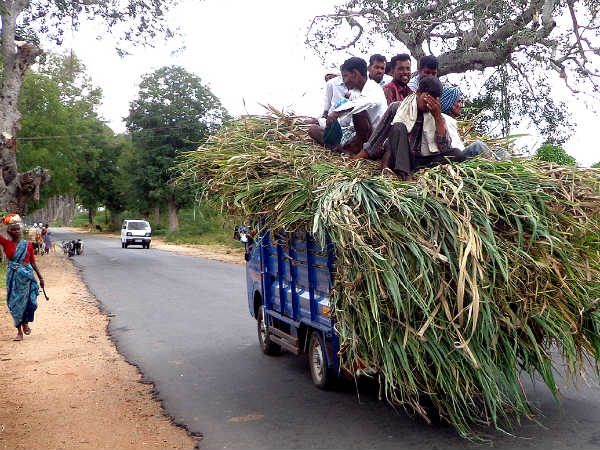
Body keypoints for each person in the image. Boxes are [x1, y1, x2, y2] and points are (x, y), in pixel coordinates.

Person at [353, 77, 465, 179]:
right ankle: (405, 175)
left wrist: (437, 118)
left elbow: (445, 148)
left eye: (434, 100)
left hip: (423, 159)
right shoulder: (397, 108)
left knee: (457, 154)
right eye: (426, 98)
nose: (428, 104)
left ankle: (414, 172)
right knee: (398, 127)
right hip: (401, 156)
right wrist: (355, 161)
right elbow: (377, 139)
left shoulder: (438, 116)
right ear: (418, 92)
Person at [309, 57, 387, 154]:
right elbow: (345, 121)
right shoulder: (354, 92)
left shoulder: (374, 88)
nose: (344, 81)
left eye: (345, 76)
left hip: (372, 139)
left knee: (359, 112)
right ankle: (343, 149)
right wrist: (328, 123)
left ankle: (352, 149)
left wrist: (336, 112)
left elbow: (363, 103)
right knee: (313, 130)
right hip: (353, 133)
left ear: (355, 74)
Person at [0, 215, 44, 341]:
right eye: (13, 229)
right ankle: (19, 331)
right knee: (14, 304)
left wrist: (41, 278)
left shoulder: (28, 245)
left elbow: (33, 262)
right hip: (13, 277)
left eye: (18, 229)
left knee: (28, 302)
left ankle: (25, 323)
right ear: (9, 231)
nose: (16, 231)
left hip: (26, 277)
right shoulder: (6, 243)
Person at [439, 86, 500, 159]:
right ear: (450, 104)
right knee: (478, 146)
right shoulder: (442, 119)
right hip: (457, 158)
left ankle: (500, 162)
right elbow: (451, 148)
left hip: (461, 154)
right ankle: (498, 163)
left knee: (502, 152)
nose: (461, 106)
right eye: (459, 101)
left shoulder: (451, 121)